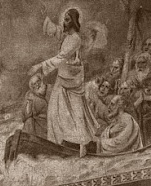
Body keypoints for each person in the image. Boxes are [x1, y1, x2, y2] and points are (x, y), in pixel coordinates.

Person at [28, 9, 99, 156]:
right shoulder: (68, 36)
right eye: (64, 19)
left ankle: (82, 146)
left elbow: (61, 57)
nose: (64, 22)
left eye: (67, 20)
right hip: (63, 78)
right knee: (55, 111)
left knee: (77, 113)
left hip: (72, 80)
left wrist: (39, 66)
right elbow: (57, 31)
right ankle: (57, 143)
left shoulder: (75, 39)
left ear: (73, 21)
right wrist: (46, 21)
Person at [21, 74, 48, 139]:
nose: (37, 85)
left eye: (38, 81)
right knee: (29, 121)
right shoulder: (31, 97)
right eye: (34, 84)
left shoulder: (47, 90)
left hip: (47, 124)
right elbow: (26, 115)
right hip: (38, 126)